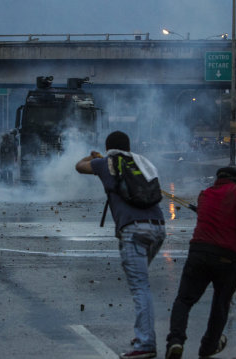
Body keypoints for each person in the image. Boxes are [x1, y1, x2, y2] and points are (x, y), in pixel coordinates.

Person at [76, 131, 166, 359]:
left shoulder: (105, 163)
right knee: (141, 282)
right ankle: (142, 334)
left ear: (108, 148)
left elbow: (79, 166)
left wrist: (93, 157)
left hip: (133, 230)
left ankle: (146, 344)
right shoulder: (141, 162)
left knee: (140, 287)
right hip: (158, 228)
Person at [164, 167, 236, 359]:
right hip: (227, 257)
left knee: (184, 300)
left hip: (199, 253)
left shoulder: (205, 194)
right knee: (220, 303)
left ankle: (175, 341)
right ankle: (208, 347)